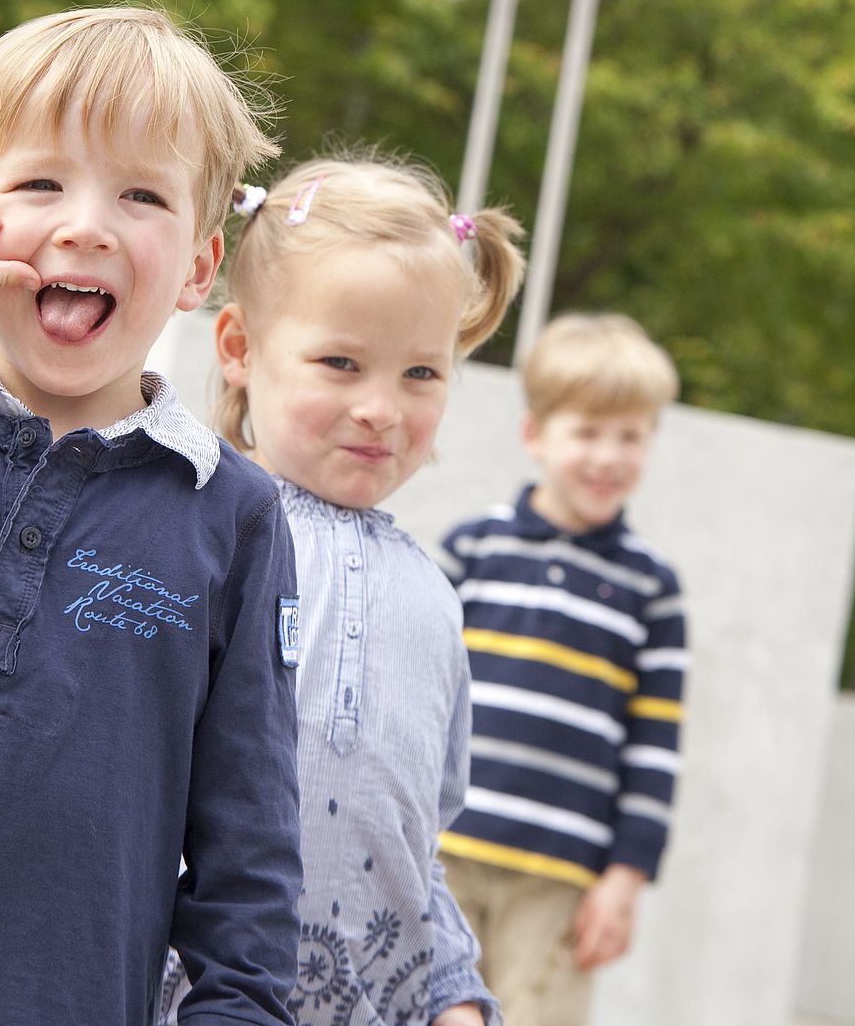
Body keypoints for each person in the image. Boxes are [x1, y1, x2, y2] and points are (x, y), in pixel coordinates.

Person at [0, 4, 302, 1026]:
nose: (86, 223)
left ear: (196, 265)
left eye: (141, 194)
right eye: (40, 183)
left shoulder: (230, 514)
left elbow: (249, 854)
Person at [162, 152, 525, 1026]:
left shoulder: (437, 599)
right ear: (241, 348)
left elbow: (413, 845)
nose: (382, 409)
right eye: (340, 362)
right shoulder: (193, 535)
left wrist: (455, 996)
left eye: (421, 374)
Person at [437, 312, 688, 1026]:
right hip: (446, 849)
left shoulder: (652, 587)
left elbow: (655, 745)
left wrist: (625, 879)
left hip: (560, 877)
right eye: (587, 432)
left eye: (630, 436)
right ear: (535, 435)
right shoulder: (474, 550)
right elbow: (420, 693)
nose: (608, 456)